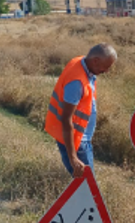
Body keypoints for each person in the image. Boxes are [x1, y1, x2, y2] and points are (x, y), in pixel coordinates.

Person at [45, 43, 117, 178]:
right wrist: (73, 157)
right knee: (88, 184)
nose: (107, 71)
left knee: (83, 183)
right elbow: (66, 119)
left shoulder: (80, 62)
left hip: (81, 138)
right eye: (106, 67)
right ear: (95, 61)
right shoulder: (77, 83)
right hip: (77, 141)